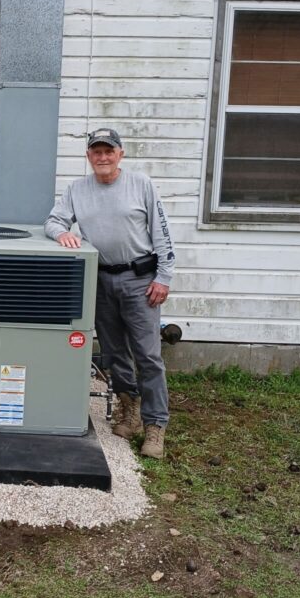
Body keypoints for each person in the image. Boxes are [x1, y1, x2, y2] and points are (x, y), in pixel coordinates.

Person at [44, 128, 175, 459]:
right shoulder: (77, 189)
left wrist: (164, 277)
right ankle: (128, 411)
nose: (103, 157)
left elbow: (162, 234)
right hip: (101, 280)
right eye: (96, 152)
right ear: (89, 156)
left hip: (140, 280)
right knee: (114, 353)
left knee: (148, 355)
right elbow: (53, 221)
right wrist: (62, 235)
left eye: (109, 151)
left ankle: (155, 426)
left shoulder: (141, 185)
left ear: (121, 154)